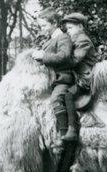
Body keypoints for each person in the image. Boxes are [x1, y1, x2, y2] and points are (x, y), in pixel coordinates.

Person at [31, 8, 76, 150]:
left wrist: (43, 56)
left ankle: (65, 135)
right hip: (52, 79)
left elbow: (64, 56)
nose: (42, 29)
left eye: (44, 26)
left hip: (63, 78)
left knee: (56, 99)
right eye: (40, 26)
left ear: (54, 23)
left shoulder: (63, 38)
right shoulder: (50, 41)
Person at [61, 12, 104, 129]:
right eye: (67, 28)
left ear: (80, 27)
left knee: (68, 96)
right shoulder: (74, 39)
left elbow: (74, 60)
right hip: (76, 75)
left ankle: (72, 127)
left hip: (84, 78)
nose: (67, 31)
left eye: (70, 28)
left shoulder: (83, 40)